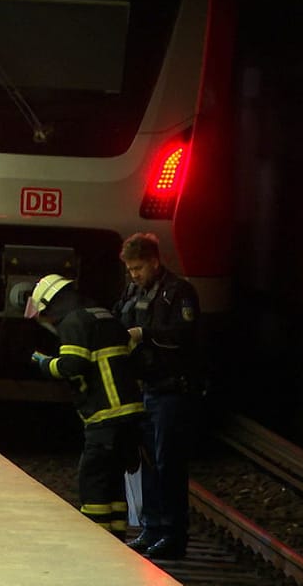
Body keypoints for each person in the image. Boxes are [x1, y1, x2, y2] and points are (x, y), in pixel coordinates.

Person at [26, 274, 144, 538]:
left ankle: (97, 543)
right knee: (113, 485)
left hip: (105, 417)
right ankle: (116, 540)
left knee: (93, 484)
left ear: (51, 303)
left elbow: (71, 365)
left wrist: (43, 363)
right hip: (128, 415)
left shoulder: (74, 321)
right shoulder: (101, 314)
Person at [115, 232, 201, 560]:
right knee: (149, 463)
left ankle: (173, 534)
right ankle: (152, 528)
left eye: (138, 268)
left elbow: (184, 335)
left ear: (154, 261)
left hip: (171, 389)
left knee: (169, 464)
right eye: (130, 269)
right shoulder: (134, 291)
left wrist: (144, 334)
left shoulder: (178, 292)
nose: (134, 275)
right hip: (146, 389)